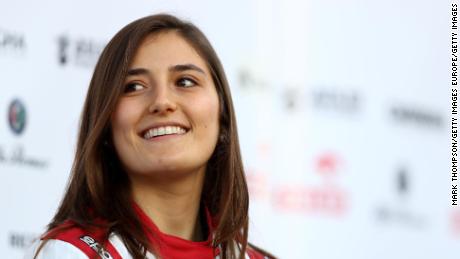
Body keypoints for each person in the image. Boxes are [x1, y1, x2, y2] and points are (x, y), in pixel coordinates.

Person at [25, 14, 276, 259]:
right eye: (133, 86)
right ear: (105, 124)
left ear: (222, 114)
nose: (162, 102)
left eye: (186, 82)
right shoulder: (71, 253)